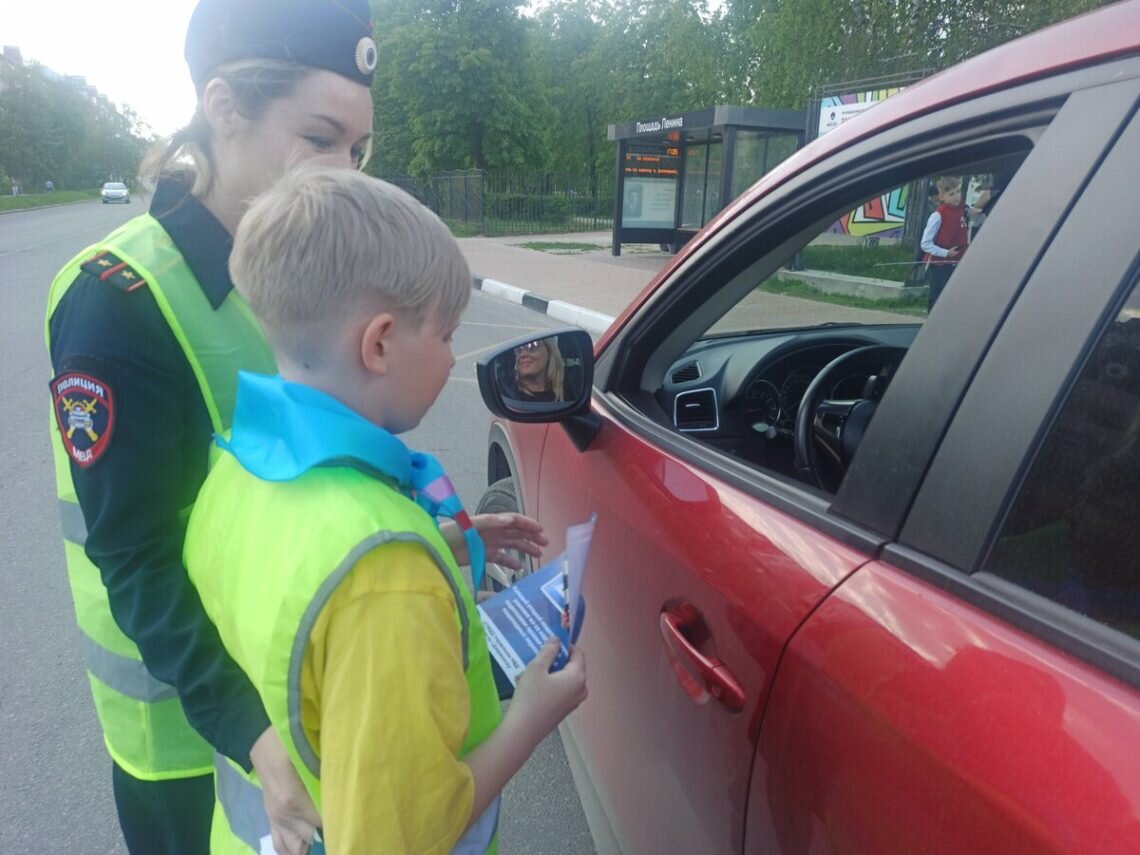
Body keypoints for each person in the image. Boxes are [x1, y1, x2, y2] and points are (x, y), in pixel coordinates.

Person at [44, 1, 380, 852]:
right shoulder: (117, 300)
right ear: (226, 108)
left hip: (285, 695)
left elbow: (303, 465)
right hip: (193, 741)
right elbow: (133, 555)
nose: (345, 172)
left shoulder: (295, 270)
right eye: (319, 138)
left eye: (360, 149)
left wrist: (421, 527)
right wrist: (254, 735)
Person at [185, 165, 588, 853]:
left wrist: (435, 542)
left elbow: (293, 598)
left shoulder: (236, 467)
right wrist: (530, 715)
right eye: (447, 334)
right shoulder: (383, 573)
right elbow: (400, 838)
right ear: (378, 343)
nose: (454, 355)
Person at [920, 176, 969, 309]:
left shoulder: (961, 210)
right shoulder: (938, 215)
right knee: (937, 296)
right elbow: (925, 243)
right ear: (942, 196)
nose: (956, 196)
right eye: (951, 194)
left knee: (953, 296)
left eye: (958, 191)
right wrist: (946, 253)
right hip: (940, 264)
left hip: (958, 261)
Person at [512, 337, 566, 402]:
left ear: (550, 351)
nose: (522, 354)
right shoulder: (509, 393)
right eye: (518, 349)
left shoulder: (570, 389)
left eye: (532, 346)